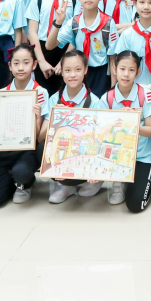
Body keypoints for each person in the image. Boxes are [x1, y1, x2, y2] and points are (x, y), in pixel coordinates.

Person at [0, 45, 49, 208]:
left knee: (21, 172)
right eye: (16, 63)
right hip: (6, 151)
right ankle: (12, 182)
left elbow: (39, 136)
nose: (21, 68)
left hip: (29, 150)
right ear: (10, 66)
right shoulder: (2, 93)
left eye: (26, 62)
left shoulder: (40, 92)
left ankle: (25, 183)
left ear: (34, 65)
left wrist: (36, 118)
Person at [43, 50, 107, 203]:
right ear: (62, 72)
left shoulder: (95, 102)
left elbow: (101, 138)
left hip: (85, 150)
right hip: (64, 148)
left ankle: (93, 181)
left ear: (85, 70)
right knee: (42, 149)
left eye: (78, 69)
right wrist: (54, 117)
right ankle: (64, 186)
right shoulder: (54, 100)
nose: (72, 75)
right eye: (67, 70)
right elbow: (41, 137)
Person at [104, 50, 151, 210]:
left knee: (135, 205)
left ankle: (149, 178)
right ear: (114, 69)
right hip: (117, 155)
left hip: (142, 155)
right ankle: (119, 184)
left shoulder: (146, 95)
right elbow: (102, 132)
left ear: (138, 72)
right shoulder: (107, 98)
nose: (126, 74)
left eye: (131, 70)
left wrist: (131, 122)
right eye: (122, 69)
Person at [57, 0, 114, 95]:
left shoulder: (108, 22)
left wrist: (113, 88)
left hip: (101, 72)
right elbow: (51, 44)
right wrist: (57, 23)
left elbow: (112, 56)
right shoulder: (74, 22)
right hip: (79, 70)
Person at [26, 0, 73, 88]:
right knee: (43, 92)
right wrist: (41, 61)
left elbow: (77, 32)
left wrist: (64, 60)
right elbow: (32, 32)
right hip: (42, 50)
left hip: (67, 48)